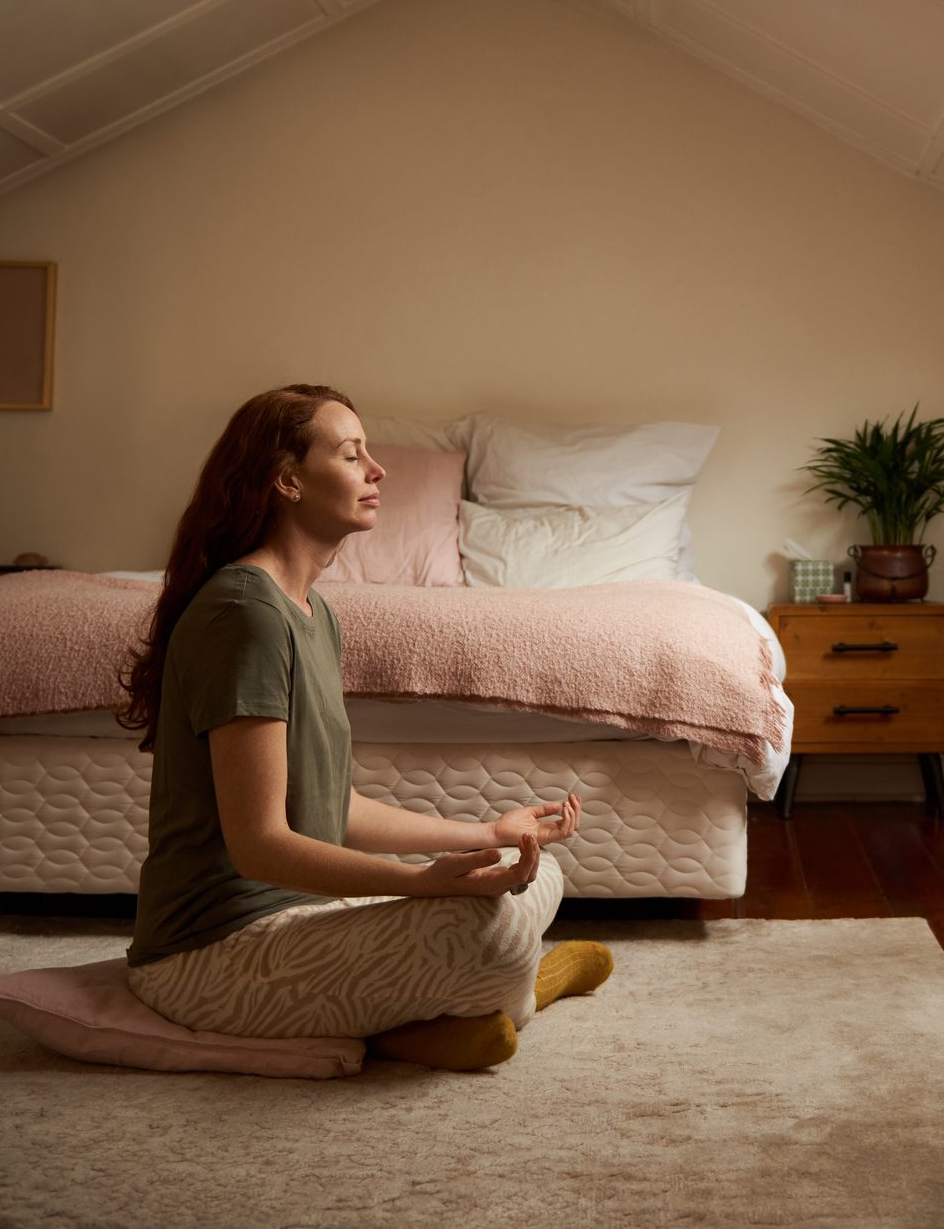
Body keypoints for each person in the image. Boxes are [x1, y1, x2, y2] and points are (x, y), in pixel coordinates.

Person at [118, 384, 611, 1070]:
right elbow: (260, 847)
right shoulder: (244, 615)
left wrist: (490, 833)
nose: (377, 471)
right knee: (485, 929)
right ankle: (515, 992)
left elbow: (330, 810)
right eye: (352, 456)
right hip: (209, 954)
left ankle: (441, 1018)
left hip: (298, 916)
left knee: (533, 870)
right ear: (287, 479)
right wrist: (423, 883)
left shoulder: (312, 613)